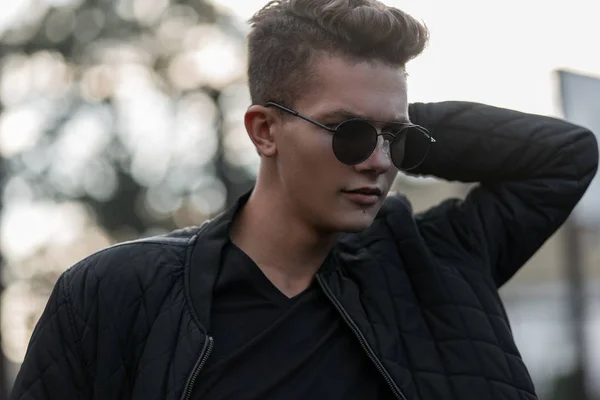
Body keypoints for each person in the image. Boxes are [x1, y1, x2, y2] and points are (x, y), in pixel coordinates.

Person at [10, 0, 599, 399]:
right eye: (348, 134)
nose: (380, 161)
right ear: (264, 131)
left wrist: (385, 119)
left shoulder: (435, 264)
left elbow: (564, 155)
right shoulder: (115, 293)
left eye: (394, 139)